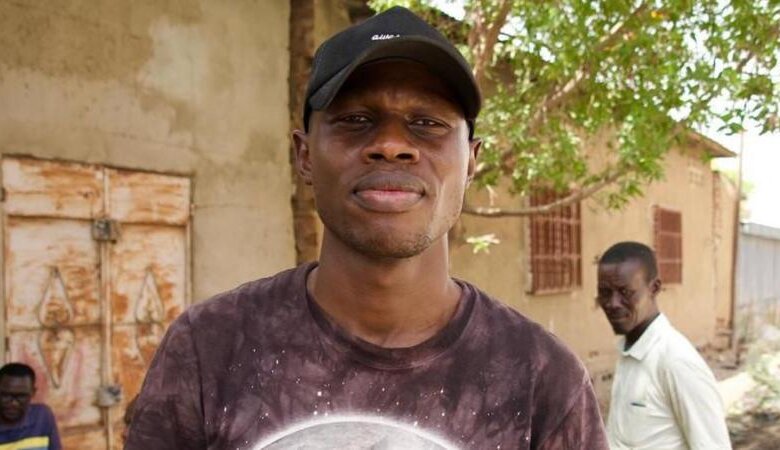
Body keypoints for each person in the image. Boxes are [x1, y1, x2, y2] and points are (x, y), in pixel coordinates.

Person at [126, 7, 607, 449]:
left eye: (427, 122)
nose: (392, 144)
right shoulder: (208, 348)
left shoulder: (542, 379)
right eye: (356, 119)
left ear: (471, 162)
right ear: (304, 155)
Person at [597, 241, 731, 450]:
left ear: (654, 288)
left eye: (625, 292)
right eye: (605, 292)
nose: (612, 303)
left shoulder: (676, 361)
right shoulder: (630, 350)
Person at [0, 363, 61, 450]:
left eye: (21, 396)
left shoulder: (42, 417)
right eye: (6, 395)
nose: (14, 403)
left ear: (33, 393)